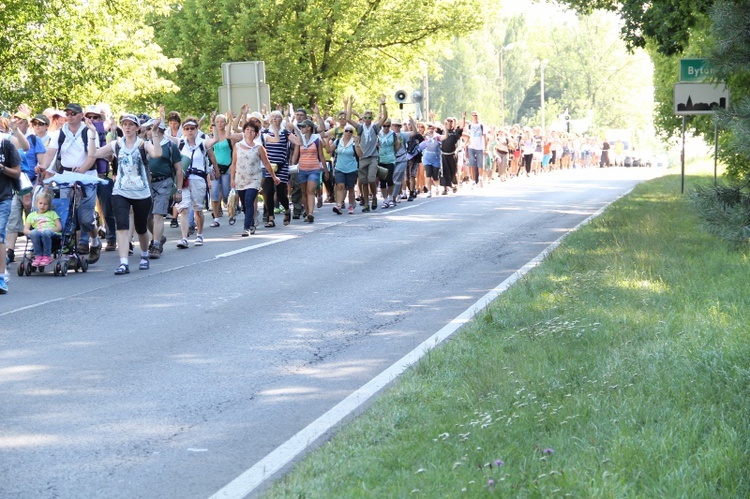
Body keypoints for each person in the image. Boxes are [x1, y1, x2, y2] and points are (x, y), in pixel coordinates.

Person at [86, 114, 163, 274]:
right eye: (125, 124)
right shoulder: (116, 144)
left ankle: (144, 255)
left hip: (141, 192)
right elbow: (93, 154)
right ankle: (123, 263)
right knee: (122, 226)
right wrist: (92, 133)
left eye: (131, 124)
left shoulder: (143, 144)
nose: (127, 127)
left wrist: (154, 133)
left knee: (141, 228)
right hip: (120, 191)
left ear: (137, 127)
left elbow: (157, 154)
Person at [44, 103, 103, 264]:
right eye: (67, 113)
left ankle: (95, 242)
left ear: (80, 115)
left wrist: (81, 171)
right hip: (67, 177)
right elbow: (51, 152)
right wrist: (43, 166)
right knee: (67, 215)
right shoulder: (60, 133)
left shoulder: (89, 131)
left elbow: (92, 156)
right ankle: (71, 253)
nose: (69, 116)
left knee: (85, 218)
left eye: (73, 113)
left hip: (87, 177)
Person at [173, 117, 220, 248]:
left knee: (197, 209)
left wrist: (213, 123)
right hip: (183, 180)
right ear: (183, 130)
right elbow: (165, 138)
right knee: (183, 209)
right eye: (186, 129)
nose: (189, 131)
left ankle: (199, 235)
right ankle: (184, 238)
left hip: (198, 178)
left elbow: (215, 139)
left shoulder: (202, 143)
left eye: (192, 128)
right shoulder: (179, 142)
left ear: (197, 129)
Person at [142, 119, 183, 259]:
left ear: (157, 129)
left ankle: (156, 244)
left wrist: (178, 190)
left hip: (164, 183)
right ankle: (158, 236)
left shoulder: (170, 146)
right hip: (147, 184)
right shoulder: (145, 145)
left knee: (158, 214)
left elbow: (178, 169)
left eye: (148, 129)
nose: (146, 132)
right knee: (147, 217)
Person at [231, 121, 280, 235]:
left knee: (249, 201)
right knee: (244, 204)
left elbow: (266, 163)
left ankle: (246, 227)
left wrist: (274, 176)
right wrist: (232, 179)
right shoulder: (237, 146)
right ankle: (251, 221)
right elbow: (233, 163)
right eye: (247, 129)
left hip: (254, 179)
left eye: (252, 130)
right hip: (240, 178)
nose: (249, 132)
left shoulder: (259, 147)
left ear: (256, 134)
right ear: (244, 131)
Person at [261, 110, 298, 226]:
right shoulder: (265, 133)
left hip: (281, 165)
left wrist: (296, 129)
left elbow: (298, 142)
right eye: (273, 117)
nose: (275, 119)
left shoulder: (285, 133)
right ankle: (270, 218)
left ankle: (287, 209)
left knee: (281, 193)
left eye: (278, 117)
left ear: (281, 119)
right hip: (269, 166)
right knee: (268, 191)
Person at [291, 119, 325, 223]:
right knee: (304, 192)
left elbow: (321, 155)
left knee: (310, 191)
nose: (301, 129)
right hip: (302, 169)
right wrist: (293, 163)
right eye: (300, 127)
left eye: (303, 127)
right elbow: (295, 155)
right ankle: (306, 212)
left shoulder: (316, 139)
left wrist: (326, 170)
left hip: (314, 169)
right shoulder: (299, 140)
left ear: (309, 127)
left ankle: (311, 213)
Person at [0, 136, 22, 293]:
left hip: (3, 197)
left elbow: (17, 172)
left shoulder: (5, 144)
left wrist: (1, 168)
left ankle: (1, 277)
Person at [23, 191, 62, 267]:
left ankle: (47, 256)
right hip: (38, 233)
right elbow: (25, 230)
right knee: (34, 232)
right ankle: (38, 256)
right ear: (36, 204)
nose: (42, 206)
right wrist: (32, 232)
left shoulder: (52, 213)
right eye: (40, 203)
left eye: (45, 204)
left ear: (49, 205)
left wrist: (50, 230)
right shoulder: (31, 215)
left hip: (51, 233)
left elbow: (59, 227)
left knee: (46, 232)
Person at [328, 124, 361, 214]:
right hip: (339, 167)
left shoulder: (354, 142)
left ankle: (350, 205)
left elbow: (360, 154)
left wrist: (357, 143)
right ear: (344, 132)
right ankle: (338, 205)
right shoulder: (338, 141)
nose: (348, 133)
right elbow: (329, 150)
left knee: (350, 188)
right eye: (346, 131)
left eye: (350, 131)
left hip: (351, 168)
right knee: (340, 186)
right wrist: (327, 140)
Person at [440, 116, 464, 194]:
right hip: (443, 155)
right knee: (444, 172)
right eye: (448, 121)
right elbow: (432, 129)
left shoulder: (455, 132)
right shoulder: (442, 131)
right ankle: (445, 189)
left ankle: (454, 185)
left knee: (453, 171)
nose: (449, 123)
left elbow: (461, 128)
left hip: (452, 155)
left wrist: (463, 118)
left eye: (451, 121)